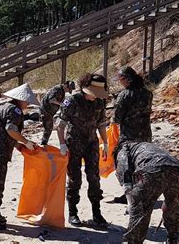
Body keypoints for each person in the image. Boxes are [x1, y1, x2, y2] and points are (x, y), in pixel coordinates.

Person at [0, 83, 39, 231]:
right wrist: (26, 141)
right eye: (27, 101)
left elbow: (5, 132)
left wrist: (20, 146)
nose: (28, 104)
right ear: (21, 100)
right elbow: (11, 130)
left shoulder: (6, 107)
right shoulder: (15, 111)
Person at [56, 74, 110, 227]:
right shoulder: (72, 101)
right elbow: (60, 125)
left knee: (94, 178)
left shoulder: (99, 103)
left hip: (92, 144)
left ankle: (97, 213)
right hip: (73, 144)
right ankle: (73, 213)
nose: (96, 97)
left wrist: (105, 143)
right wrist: (62, 144)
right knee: (75, 179)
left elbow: (101, 124)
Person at [115, 142, 179, 244]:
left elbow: (123, 168)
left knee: (141, 211)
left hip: (152, 170)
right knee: (173, 205)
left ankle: (134, 241)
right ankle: (172, 239)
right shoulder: (148, 146)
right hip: (178, 167)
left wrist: (130, 193)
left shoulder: (123, 149)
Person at [112, 66, 153, 204]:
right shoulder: (148, 93)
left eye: (121, 79)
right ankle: (143, 191)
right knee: (143, 164)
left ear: (127, 80)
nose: (120, 82)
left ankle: (129, 194)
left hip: (129, 137)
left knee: (124, 164)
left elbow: (117, 118)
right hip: (146, 135)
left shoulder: (125, 95)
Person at [39, 80, 76, 146]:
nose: (68, 91)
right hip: (46, 110)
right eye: (69, 89)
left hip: (51, 112)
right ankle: (43, 144)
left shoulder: (62, 92)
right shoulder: (57, 89)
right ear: (66, 85)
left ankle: (44, 143)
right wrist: (61, 104)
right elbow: (51, 100)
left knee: (49, 127)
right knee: (48, 128)